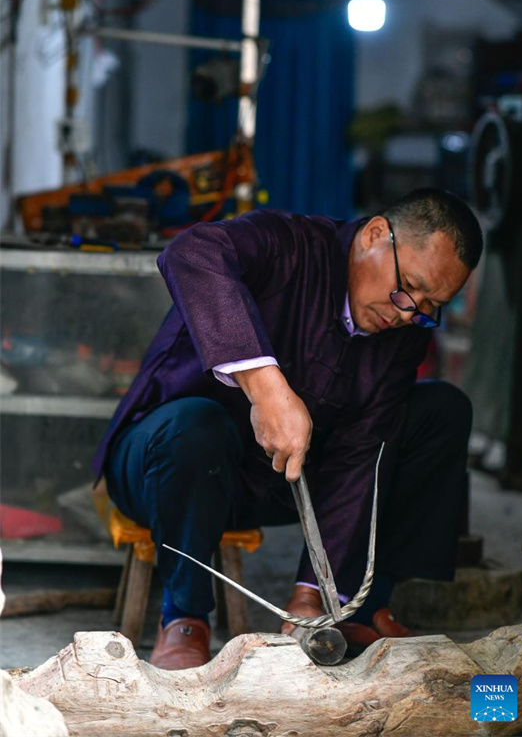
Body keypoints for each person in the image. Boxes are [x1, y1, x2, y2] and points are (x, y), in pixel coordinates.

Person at [94, 187, 483, 670]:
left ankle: (362, 602)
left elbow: (361, 453)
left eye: (429, 304)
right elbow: (190, 252)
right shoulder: (289, 244)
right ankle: (183, 617)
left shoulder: (403, 331)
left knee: (439, 410)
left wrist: (310, 598)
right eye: (410, 288)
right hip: (164, 468)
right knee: (196, 426)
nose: (408, 312)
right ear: (376, 235)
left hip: (278, 482)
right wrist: (266, 387)